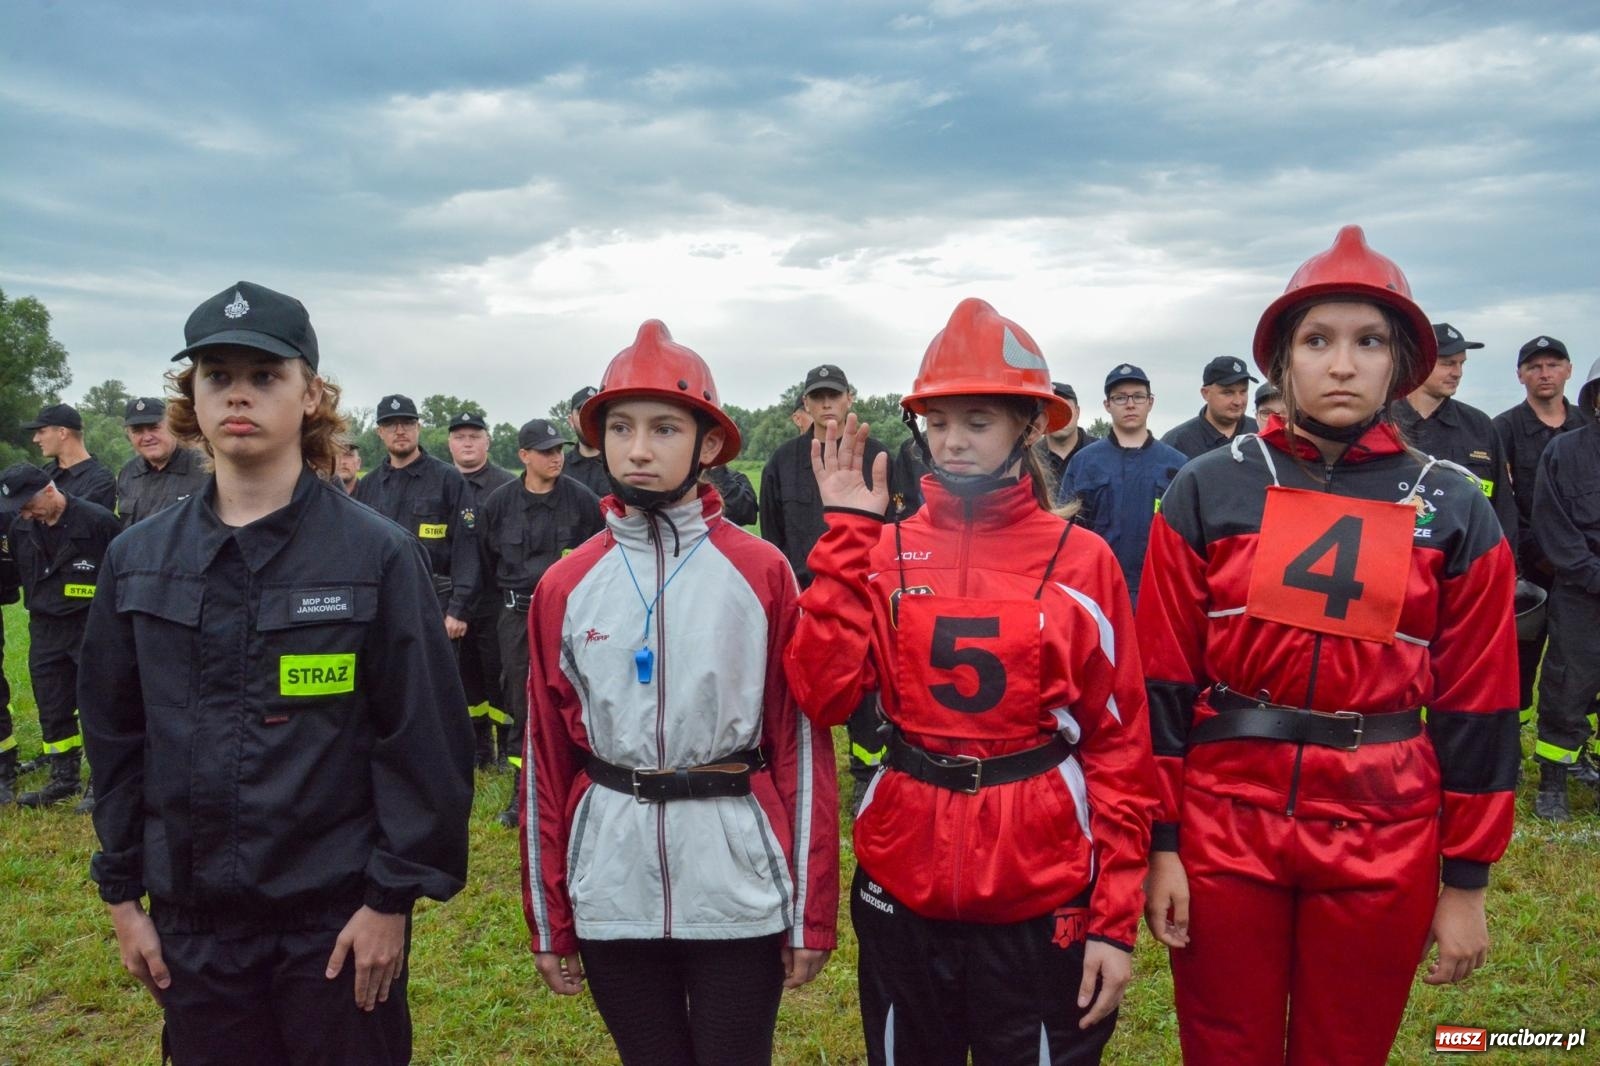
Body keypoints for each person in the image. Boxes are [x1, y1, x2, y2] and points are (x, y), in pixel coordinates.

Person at [1137, 226, 1519, 1066]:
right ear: (1283, 361)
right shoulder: (1208, 486)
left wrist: (1466, 883)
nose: (1342, 364)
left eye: (1368, 342)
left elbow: (1481, 704)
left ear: (1398, 364)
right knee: (1223, 1046)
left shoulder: (1455, 507)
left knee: (1345, 1049)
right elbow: (1160, 680)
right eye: (1318, 341)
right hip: (1226, 820)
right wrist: (1162, 845)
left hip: (1385, 826)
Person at [78, 280, 473, 1064]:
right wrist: (123, 896)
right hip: (193, 929)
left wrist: (389, 901)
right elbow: (116, 740)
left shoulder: (376, 555)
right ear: (191, 395)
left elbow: (423, 740)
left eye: (265, 377)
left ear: (310, 394)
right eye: (218, 376)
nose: (240, 395)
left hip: (334, 928)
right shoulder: (139, 560)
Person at [785, 298, 1155, 1065]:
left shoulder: (1082, 562)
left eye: (978, 421)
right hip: (903, 882)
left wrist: (1115, 922)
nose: (952, 442)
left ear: (1028, 426)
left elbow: (1120, 752)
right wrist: (847, 540)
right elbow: (819, 695)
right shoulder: (882, 549)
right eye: (939, 421)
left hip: (1041, 888)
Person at [522, 320, 837, 1066]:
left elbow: (799, 746)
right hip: (612, 877)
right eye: (621, 427)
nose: (639, 449)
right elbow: (543, 755)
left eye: (665, 428)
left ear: (709, 446)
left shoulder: (762, 574)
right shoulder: (563, 587)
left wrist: (809, 915)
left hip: (735, 876)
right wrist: (549, 916)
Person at [760, 363, 892, 800]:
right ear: (806, 404)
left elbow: (897, 529)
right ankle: (794, 774)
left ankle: (866, 776)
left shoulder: (877, 456)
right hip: (804, 597)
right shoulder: (782, 461)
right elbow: (773, 535)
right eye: (817, 396)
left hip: (861, 594)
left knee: (864, 693)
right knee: (797, 691)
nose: (826, 403)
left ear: (849, 398)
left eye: (833, 394)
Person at [478, 417, 602, 826]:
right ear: (523, 456)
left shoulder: (582, 500)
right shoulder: (498, 504)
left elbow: (601, 559)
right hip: (517, 617)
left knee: (576, 697)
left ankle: (578, 783)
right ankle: (522, 793)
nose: (555, 457)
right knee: (520, 702)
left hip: (572, 619)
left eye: (559, 450)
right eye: (546, 451)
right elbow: (485, 562)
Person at [0, 466, 120, 811]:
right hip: (45, 628)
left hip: (90, 626)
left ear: (50, 491)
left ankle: (103, 779)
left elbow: (122, 575)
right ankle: (63, 777)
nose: (24, 513)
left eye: (28, 504)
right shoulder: (21, 528)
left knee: (101, 704)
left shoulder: (98, 523)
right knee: (52, 705)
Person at [1492, 336, 1595, 730]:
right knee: (1521, 658)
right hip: (1529, 567)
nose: (1545, 373)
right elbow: (1502, 499)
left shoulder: (1588, 425)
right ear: (1520, 376)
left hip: (1584, 568)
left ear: (1569, 370)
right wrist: (1533, 556)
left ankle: (1579, 743)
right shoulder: (1502, 429)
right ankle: (1513, 742)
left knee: (1581, 660)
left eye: (1553, 364)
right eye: (1534, 367)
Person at [1529, 356, 1600, 820]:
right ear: (1594, 399)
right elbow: (1550, 522)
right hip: (1581, 592)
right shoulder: (1566, 451)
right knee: (1566, 686)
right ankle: (1552, 782)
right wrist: (1591, 573)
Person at [353, 394, 482, 640]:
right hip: (382, 603)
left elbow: (467, 547)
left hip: (436, 601)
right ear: (380, 432)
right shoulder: (368, 486)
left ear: (418, 428)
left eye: (407, 423)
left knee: (436, 678)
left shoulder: (448, 479)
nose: (400, 431)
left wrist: (459, 609)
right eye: (391, 425)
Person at [1058, 365, 1187, 606]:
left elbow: (1189, 538)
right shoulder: (1085, 462)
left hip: (1160, 592)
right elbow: (1063, 530)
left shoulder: (1177, 465)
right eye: (1120, 397)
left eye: (1138, 396)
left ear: (1150, 402)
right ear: (1107, 405)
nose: (1130, 404)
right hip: (1097, 591)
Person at [1387, 323, 1516, 541]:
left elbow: (1502, 506)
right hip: (1394, 554)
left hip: (1464, 558)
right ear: (1419, 361)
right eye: (1448, 364)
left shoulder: (1478, 425)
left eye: (1461, 364)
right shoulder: (1382, 420)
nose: (1457, 373)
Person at [447, 410, 518, 769]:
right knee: (466, 677)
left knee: (500, 676)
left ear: (487, 441)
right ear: (450, 444)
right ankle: (479, 749)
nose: (468, 442)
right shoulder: (443, 484)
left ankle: (506, 747)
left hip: (495, 599)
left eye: (475, 436)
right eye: (460, 437)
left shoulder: (506, 486)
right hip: (456, 603)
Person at [115, 396, 208, 527]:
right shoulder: (127, 474)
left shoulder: (205, 468)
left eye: (154, 428)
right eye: (137, 431)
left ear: (172, 426)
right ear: (129, 435)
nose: (147, 437)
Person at [1161, 356, 1261, 460]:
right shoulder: (1176, 443)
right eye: (1228, 393)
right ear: (1205, 393)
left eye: (1243, 392)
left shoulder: (1262, 434)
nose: (1238, 401)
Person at [23, 403, 117, 511]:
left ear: (62, 433)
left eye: (41, 432)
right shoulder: (45, 472)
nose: (35, 439)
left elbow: (83, 520)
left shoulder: (101, 480)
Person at [1032, 380, 1095, 490]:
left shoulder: (1100, 454)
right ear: (1042, 416)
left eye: (1066, 410)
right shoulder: (1031, 459)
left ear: (1077, 412)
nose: (1059, 418)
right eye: (1053, 411)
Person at [562, 385, 613, 499]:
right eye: (582, 412)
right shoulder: (559, 467)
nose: (589, 418)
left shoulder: (620, 464)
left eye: (596, 412)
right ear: (571, 421)